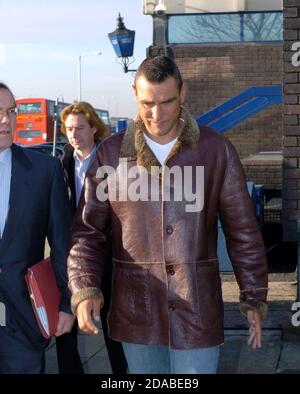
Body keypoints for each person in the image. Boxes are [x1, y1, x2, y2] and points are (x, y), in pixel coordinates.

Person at [67, 56, 268, 374]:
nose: (156, 114)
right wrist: (84, 288)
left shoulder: (216, 151)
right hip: (137, 310)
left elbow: (243, 230)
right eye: (147, 103)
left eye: (166, 102)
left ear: (183, 93)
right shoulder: (110, 154)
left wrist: (254, 295)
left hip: (196, 310)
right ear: (135, 94)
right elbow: (87, 232)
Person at [0, 82, 74, 373]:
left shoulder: (45, 171)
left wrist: (68, 303)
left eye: (10, 111)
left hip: (22, 321)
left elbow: (62, 244)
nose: (5, 119)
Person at [60, 101, 128, 374]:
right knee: (65, 329)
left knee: (114, 331)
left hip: (108, 258)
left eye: (79, 128)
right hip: (74, 257)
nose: (73, 134)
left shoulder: (112, 162)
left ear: (93, 128)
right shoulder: (61, 163)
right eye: (68, 129)